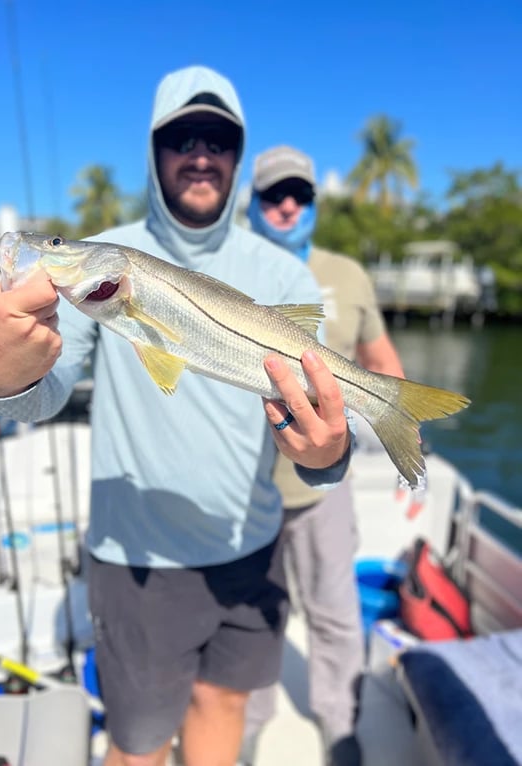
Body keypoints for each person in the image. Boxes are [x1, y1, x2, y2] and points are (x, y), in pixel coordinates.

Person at [0, 69, 354, 766]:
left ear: (238, 155)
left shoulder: (283, 275)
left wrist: (328, 453)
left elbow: (315, 438)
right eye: (180, 136)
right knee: (139, 744)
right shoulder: (107, 260)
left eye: (219, 139)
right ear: (154, 150)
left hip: (250, 543)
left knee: (223, 706)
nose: (200, 153)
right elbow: (44, 393)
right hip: (137, 559)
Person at [242, 146, 405, 766]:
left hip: (323, 488)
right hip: (244, 487)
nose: (287, 206)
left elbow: (379, 355)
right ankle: (251, 719)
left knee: (335, 613)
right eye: (273, 195)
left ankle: (340, 725)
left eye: (299, 195)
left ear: (313, 203)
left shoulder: (347, 274)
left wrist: (400, 415)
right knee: (256, 618)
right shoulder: (228, 267)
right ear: (253, 205)